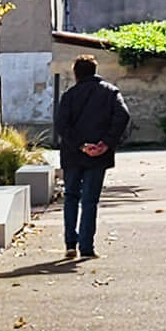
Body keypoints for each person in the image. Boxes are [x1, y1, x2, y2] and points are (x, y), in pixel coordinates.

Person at [53, 56, 130, 261]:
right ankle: (87, 246)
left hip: (72, 153)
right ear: (95, 70)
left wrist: (81, 144)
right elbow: (123, 116)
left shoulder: (69, 95)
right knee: (90, 200)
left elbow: (61, 125)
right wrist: (105, 142)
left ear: (76, 73)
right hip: (99, 155)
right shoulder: (111, 92)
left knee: (71, 197)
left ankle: (71, 243)